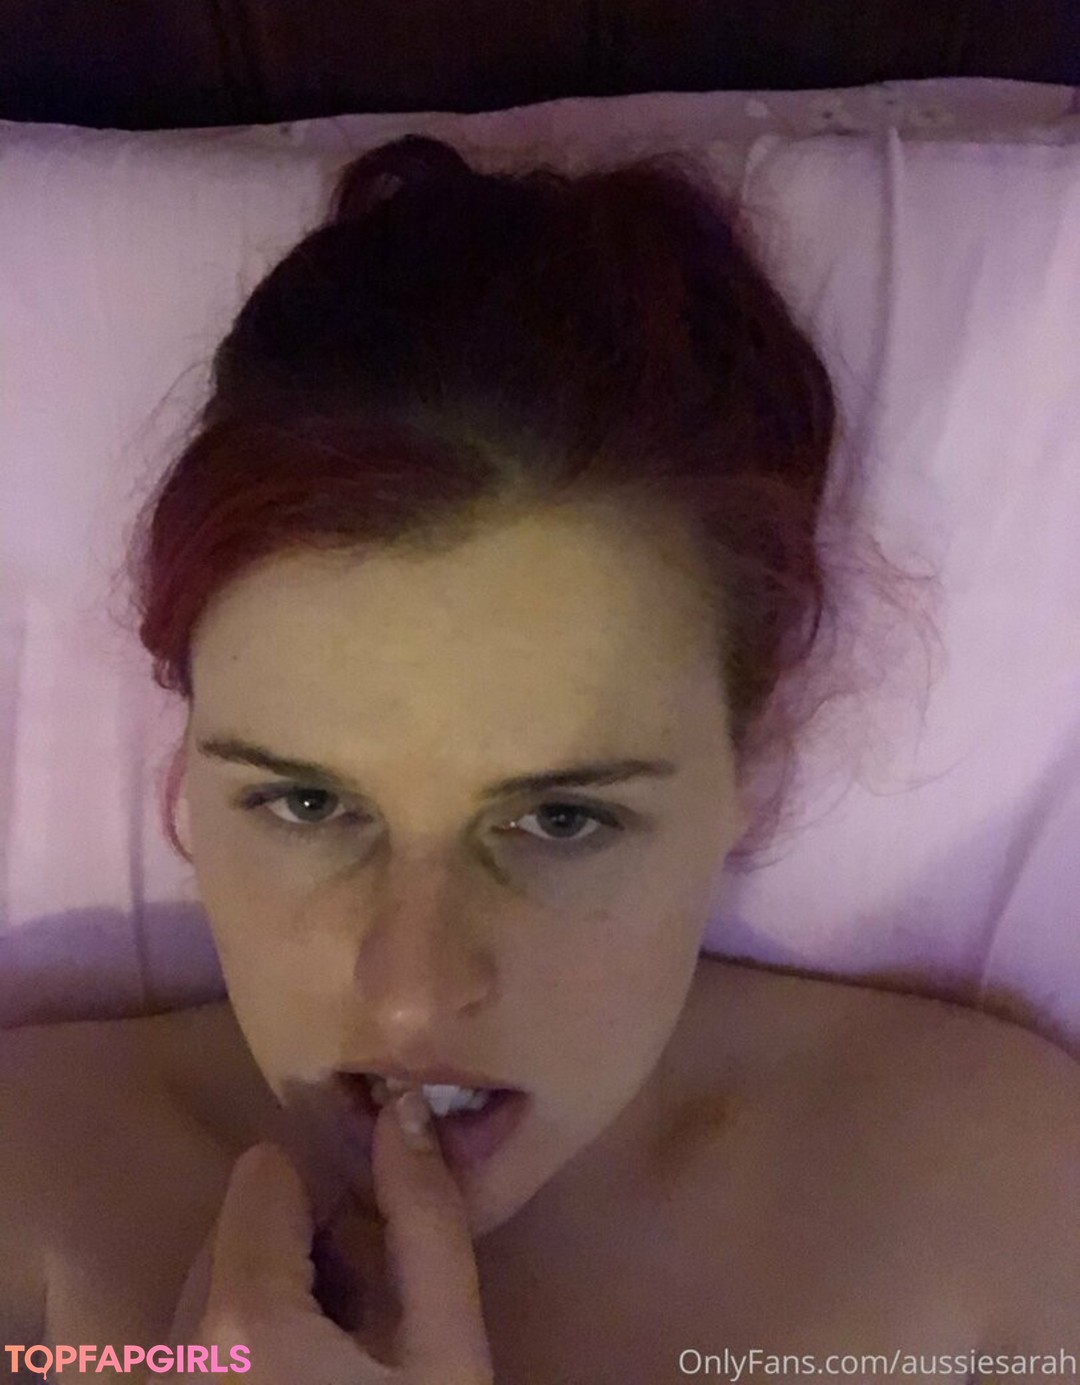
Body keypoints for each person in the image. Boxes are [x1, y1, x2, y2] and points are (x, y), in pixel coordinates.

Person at [1, 135, 1077, 1385]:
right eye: (304, 801)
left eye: (562, 819)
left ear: (750, 768)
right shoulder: (31, 1210)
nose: (409, 999)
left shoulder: (995, 1215)